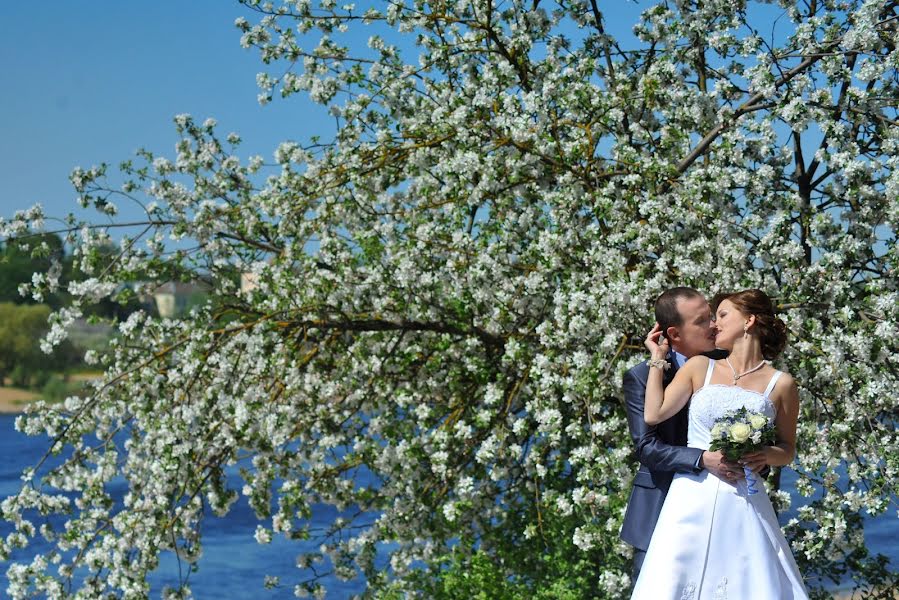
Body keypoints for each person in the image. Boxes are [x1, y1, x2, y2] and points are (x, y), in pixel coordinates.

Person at [631, 289, 808, 599]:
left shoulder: (782, 384)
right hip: (690, 496)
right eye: (709, 319)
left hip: (743, 498)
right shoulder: (700, 367)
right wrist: (657, 360)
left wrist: (766, 454)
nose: (714, 325)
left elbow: (788, 449)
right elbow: (653, 414)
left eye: (721, 316)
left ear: (749, 321)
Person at [620, 287, 738, 578]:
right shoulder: (642, 376)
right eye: (701, 321)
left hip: (722, 507)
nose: (713, 325)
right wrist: (702, 459)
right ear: (674, 334)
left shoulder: (732, 364)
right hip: (659, 508)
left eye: (711, 316)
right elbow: (646, 447)